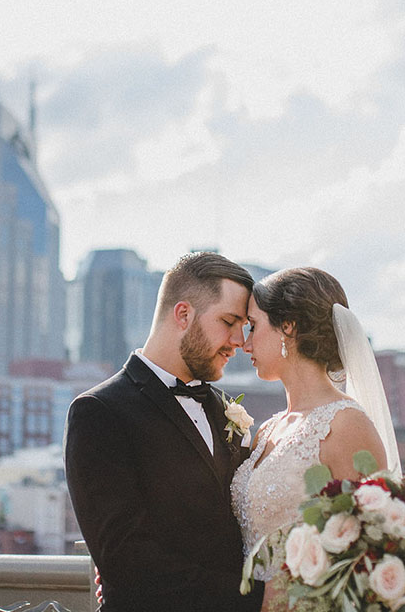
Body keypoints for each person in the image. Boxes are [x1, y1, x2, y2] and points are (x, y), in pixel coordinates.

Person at [64, 251, 264, 612]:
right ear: (183, 314)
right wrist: (256, 600)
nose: (239, 340)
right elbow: (125, 559)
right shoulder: (98, 412)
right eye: (229, 321)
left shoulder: (224, 409)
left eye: (244, 327)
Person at [231, 267, 401, 612]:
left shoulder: (346, 425)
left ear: (288, 326)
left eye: (253, 325)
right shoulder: (267, 430)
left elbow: (371, 547)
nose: (244, 343)